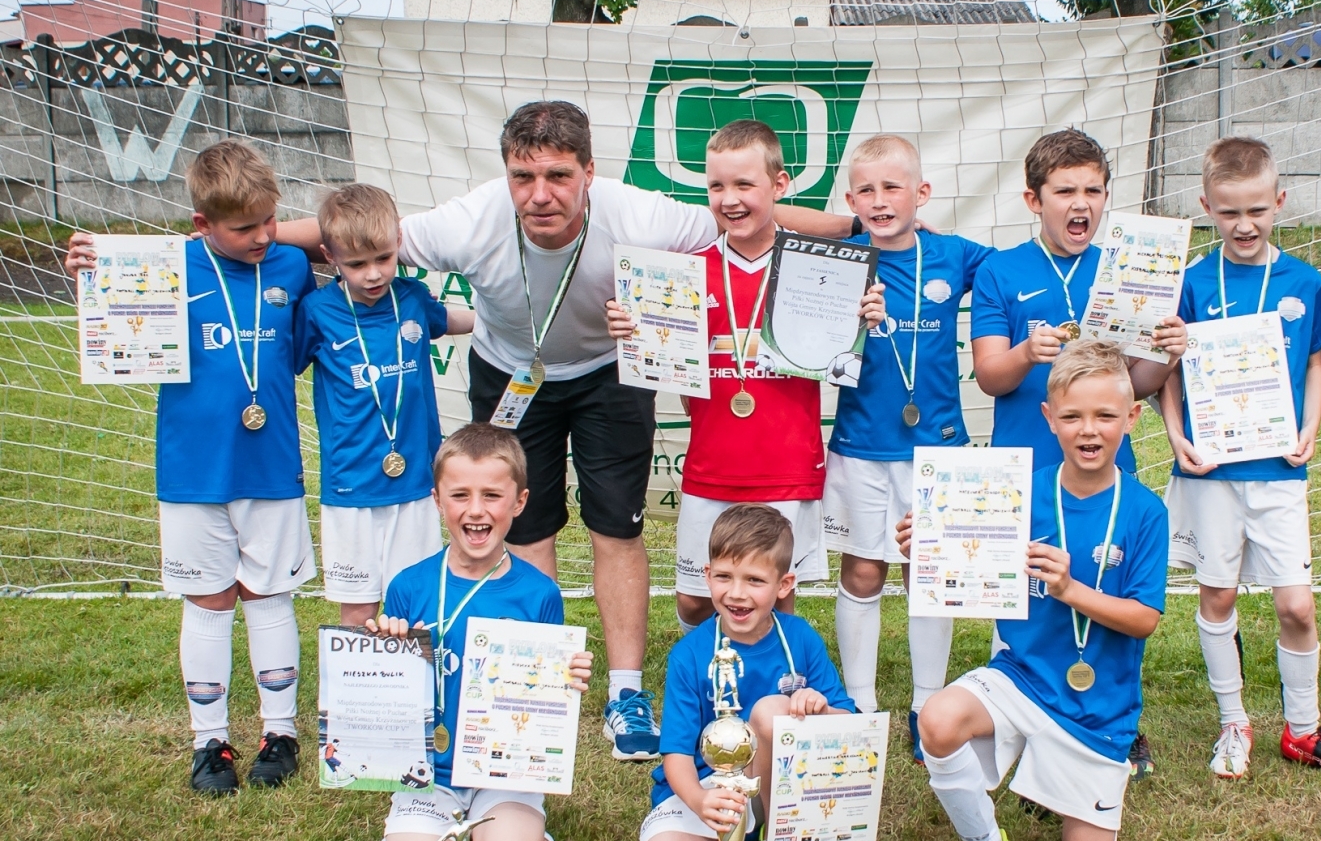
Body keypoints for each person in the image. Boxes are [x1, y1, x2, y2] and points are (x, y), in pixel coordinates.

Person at [277, 101, 856, 763]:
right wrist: (250, 234)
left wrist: (852, 226)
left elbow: (759, 217)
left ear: (589, 172)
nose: (540, 194)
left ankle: (626, 694)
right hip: (512, 373)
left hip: (610, 371)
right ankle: (533, 683)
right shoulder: (471, 221)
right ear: (506, 177)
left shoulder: (636, 211)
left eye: (557, 175)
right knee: (526, 530)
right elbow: (355, 231)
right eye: (524, 177)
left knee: (617, 528)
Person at [64, 140, 315, 795]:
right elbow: (112, 314)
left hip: (272, 465)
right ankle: (210, 744)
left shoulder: (291, 266)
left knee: (269, 596)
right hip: (191, 470)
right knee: (208, 600)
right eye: (245, 227)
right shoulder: (164, 266)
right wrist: (92, 271)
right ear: (202, 225)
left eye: (269, 219)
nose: (263, 235)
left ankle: (279, 733)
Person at [900, 341, 1169, 841]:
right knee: (939, 719)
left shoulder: (1146, 511)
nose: (1088, 430)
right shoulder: (1014, 492)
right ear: (1049, 419)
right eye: (1071, 416)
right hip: (1020, 678)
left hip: (1098, 708)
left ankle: (1063, 775)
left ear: (1133, 417)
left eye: (1104, 416)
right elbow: (956, 584)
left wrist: (1072, 590)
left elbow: (1144, 620)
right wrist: (924, 555)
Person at [606, 120, 885, 636]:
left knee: (776, 595)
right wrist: (630, 327)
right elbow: (663, 363)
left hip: (787, 465)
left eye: (744, 185)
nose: (729, 199)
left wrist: (862, 316)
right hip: (714, 462)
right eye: (716, 186)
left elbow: (842, 358)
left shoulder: (820, 270)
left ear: (778, 187)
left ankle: (774, 692)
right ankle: (710, 688)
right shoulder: (682, 273)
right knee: (694, 602)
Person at [969, 129, 1186, 779]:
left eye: (1093, 190)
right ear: (1034, 198)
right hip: (1025, 469)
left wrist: (1164, 353)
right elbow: (988, 376)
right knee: (1024, 598)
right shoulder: (1000, 271)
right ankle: (1021, 719)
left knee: (1106, 592)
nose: (1080, 203)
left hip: (1104, 474)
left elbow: (1138, 386)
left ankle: (1119, 723)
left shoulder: (1124, 269)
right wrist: (1022, 354)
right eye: (1065, 190)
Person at [1160, 138, 1321, 780]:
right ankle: (1234, 722)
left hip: (1280, 470)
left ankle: (1303, 730)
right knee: (1217, 597)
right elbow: (1169, 366)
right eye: (1228, 213)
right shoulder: (1191, 281)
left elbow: (1313, 365)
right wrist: (1175, 435)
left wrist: (1310, 429)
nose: (1244, 225)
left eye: (1256, 210)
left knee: (1296, 606)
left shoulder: (1304, 280)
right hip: (1210, 472)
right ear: (1207, 208)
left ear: (1279, 201)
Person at [822, 134, 993, 761]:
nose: (879, 199)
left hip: (937, 449)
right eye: (865, 189)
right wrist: (847, 312)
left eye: (893, 187)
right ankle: (857, 704)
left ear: (921, 194)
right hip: (863, 444)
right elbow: (773, 221)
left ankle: (928, 703)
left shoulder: (954, 254)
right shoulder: (837, 259)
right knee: (864, 570)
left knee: (930, 577)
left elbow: (1020, 269)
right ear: (850, 200)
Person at [368, 423, 592, 841]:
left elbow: (545, 702)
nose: (475, 511)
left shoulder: (539, 594)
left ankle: (525, 839)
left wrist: (563, 680)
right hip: (428, 773)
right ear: (437, 500)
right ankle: (414, 837)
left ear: (519, 502)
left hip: (505, 769)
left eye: (492, 495)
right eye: (460, 495)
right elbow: (383, 698)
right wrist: (383, 650)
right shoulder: (408, 587)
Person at [636, 503, 856, 841]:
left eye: (754, 580)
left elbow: (848, 722)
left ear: (784, 585)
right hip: (707, 788)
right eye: (723, 576)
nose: (736, 594)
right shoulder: (689, 654)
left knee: (769, 711)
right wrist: (700, 801)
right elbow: (676, 753)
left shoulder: (801, 638)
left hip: (785, 787)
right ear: (707, 576)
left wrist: (818, 705)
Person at [294, 184, 476, 626]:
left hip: (414, 481)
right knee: (357, 606)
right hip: (350, 484)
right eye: (356, 264)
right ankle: (356, 693)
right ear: (329, 256)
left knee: (414, 599)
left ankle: (416, 693)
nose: (373, 273)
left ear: (398, 241)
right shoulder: (316, 311)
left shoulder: (412, 298)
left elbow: (449, 320)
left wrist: (502, 323)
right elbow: (285, 364)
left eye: (383, 259)